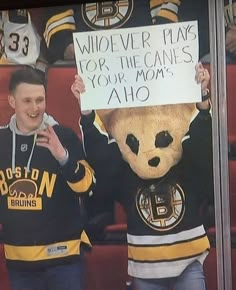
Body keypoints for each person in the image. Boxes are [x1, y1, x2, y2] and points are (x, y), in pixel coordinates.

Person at [71, 62, 213, 290]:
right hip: (145, 269)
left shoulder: (186, 166)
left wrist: (203, 101)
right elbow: (102, 156)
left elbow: (202, 145)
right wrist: (87, 112)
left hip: (189, 263)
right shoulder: (126, 175)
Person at [0, 67, 95, 290]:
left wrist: (63, 157)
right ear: (12, 101)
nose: (35, 108)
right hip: (19, 262)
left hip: (63, 261)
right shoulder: (1, 141)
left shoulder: (63, 136)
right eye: (27, 101)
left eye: (40, 100)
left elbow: (87, 187)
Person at [42, 0, 182, 63]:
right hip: (84, 72)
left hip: (146, 67)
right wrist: (67, 46)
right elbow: (57, 29)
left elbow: (169, 28)